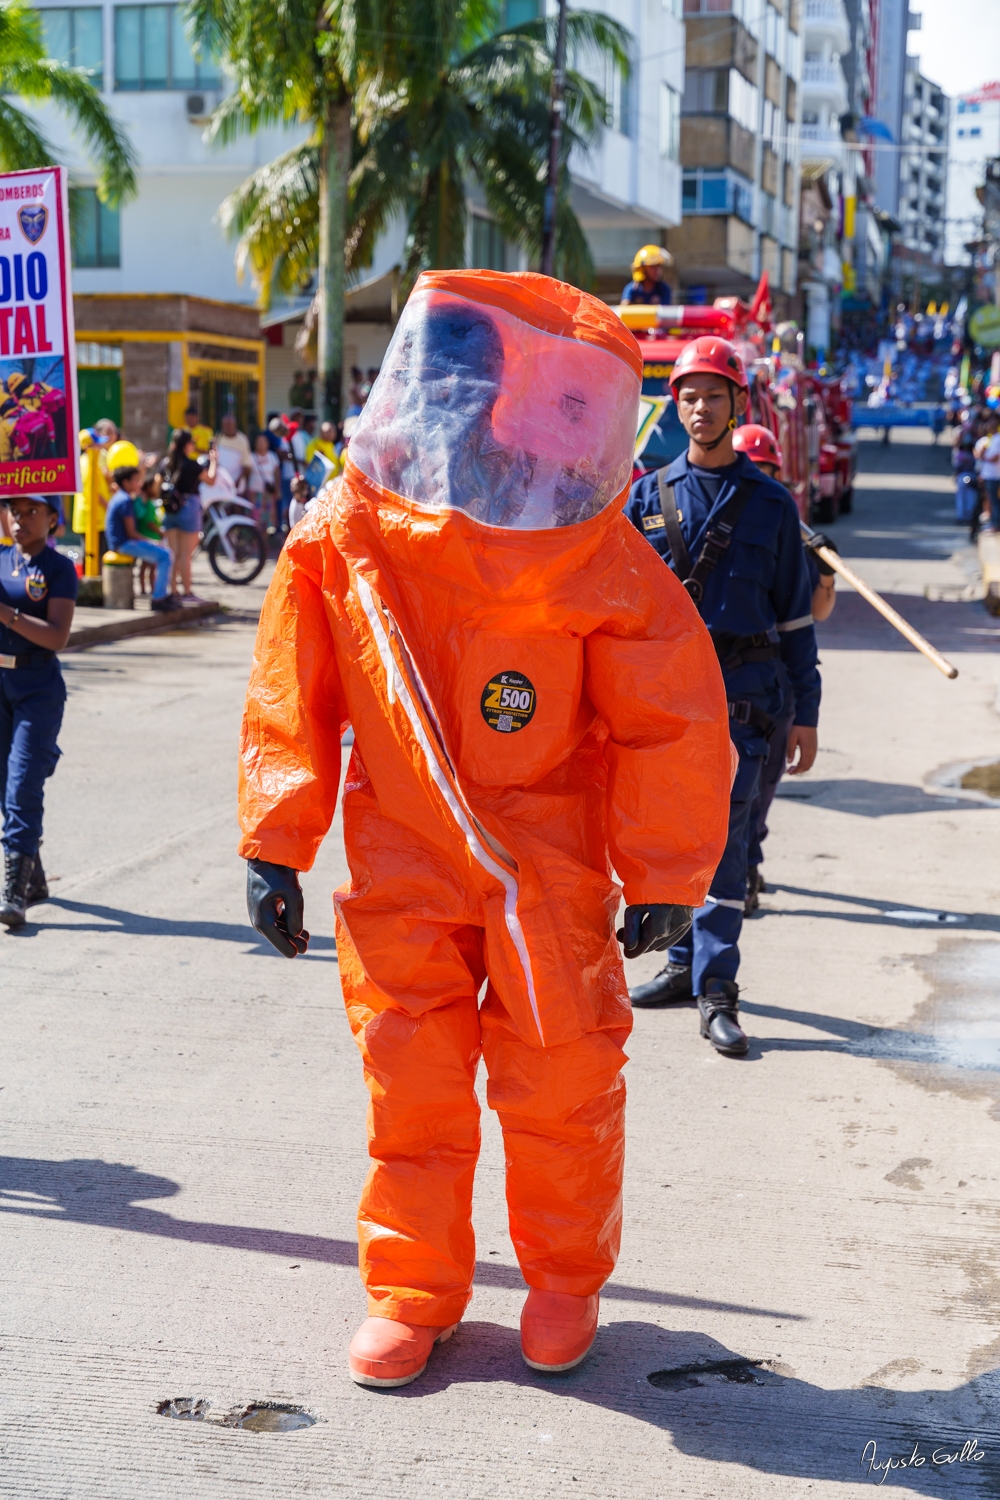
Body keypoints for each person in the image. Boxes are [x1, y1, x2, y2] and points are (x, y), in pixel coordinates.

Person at [238, 271, 732, 1389]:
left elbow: (668, 710)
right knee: (410, 1077)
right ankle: (411, 1290)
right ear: (411, 381)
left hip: (544, 857)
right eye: (441, 371)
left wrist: (663, 869)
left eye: (479, 371)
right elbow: (292, 683)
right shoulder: (347, 525)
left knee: (561, 1082)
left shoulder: (576, 525)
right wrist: (276, 838)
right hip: (403, 847)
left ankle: (564, 1282)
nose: (458, 394)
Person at [624, 338, 821, 1057]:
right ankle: (680, 967)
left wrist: (808, 710)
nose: (700, 407)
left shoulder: (771, 504)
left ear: (738, 404)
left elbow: (796, 616)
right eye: (689, 395)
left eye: (713, 395)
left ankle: (717, 993)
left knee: (728, 852)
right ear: (675, 406)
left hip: (747, 703)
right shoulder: (646, 497)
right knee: (670, 842)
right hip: (664, 705)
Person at [731, 425, 836, 915]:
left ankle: (747, 861)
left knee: (763, 781)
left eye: (765, 469)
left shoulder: (783, 523)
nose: (757, 477)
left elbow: (814, 615)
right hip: (722, 675)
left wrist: (827, 572)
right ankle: (738, 869)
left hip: (775, 678)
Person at [0, 493, 78, 927]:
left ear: (53, 519)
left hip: (38, 686)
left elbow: (56, 637)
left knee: (23, 784)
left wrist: (6, 615)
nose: (20, 518)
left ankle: (13, 892)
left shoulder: (59, 567)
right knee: (4, 787)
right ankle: (35, 876)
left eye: (32, 511)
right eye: (14, 509)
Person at [105, 467, 178, 612]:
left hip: (121, 543)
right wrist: (151, 541)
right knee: (166, 556)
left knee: (163, 554)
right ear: (126, 483)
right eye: (136, 481)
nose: (139, 483)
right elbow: (131, 533)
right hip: (124, 544)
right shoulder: (125, 500)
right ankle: (159, 597)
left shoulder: (121, 497)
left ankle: (161, 594)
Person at [162, 429, 203, 599]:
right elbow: (211, 479)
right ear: (187, 445)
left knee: (173, 554)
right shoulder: (193, 465)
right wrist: (214, 462)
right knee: (186, 555)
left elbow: (158, 485)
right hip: (189, 508)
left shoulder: (165, 463)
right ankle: (187, 591)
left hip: (169, 509)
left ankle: (173, 590)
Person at [71, 428, 111, 546]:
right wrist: (110, 507)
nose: (100, 446)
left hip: (96, 517)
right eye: (97, 444)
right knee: (91, 557)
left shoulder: (90, 461)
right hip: (92, 518)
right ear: (87, 446)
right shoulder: (86, 464)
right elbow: (92, 493)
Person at [133, 472, 165, 596]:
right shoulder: (146, 503)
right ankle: (151, 588)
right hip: (150, 537)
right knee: (150, 566)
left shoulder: (146, 502)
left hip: (149, 537)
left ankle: (146, 588)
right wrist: (160, 532)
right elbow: (149, 522)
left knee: (146, 566)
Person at [247, 431, 280, 530]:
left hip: (268, 493)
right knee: (255, 517)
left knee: (268, 518)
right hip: (254, 492)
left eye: (263, 441)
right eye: (259, 442)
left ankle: (265, 540)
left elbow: (277, 473)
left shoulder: (272, 456)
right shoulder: (251, 457)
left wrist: (277, 489)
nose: (261, 444)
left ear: (267, 443)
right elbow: (247, 475)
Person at [214, 414, 252, 493]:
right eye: (225, 425)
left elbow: (247, 465)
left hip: (236, 485)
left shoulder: (242, 440)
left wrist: (237, 481)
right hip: (220, 485)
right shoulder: (218, 438)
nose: (227, 427)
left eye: (230, 424)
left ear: (235, 425)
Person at [975, 416, 1000, 532]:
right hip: (990, 475)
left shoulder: (998, 439)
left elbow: (995, 458)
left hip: (995, 476)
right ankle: (993, 522)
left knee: (995, 501)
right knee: (990, 499)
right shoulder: (991, 438)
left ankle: (995, 524)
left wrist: (983, 456)